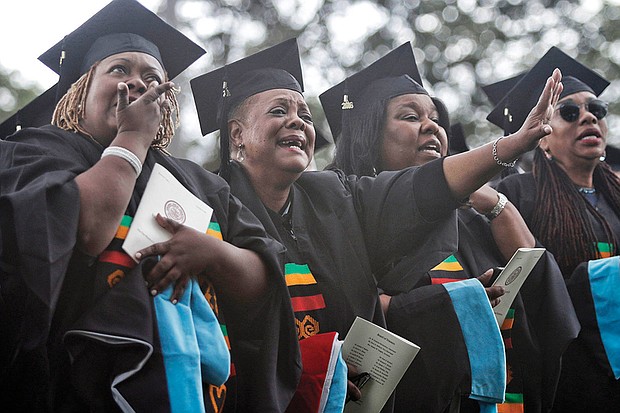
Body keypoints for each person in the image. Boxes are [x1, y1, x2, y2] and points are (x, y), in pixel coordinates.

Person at [190, 38, 563, 412]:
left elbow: (414, 190)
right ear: (237, 134)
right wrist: (305, 369)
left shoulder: (332, 196)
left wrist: (508, 147)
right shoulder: (209, 204)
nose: (297, 122)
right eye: (278, 111)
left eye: (305, 115)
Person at [0, 0, 300, 411]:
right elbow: (83, 230)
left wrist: (213, 253)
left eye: (152, 76)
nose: (138, 83)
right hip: (73, 393)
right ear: (80, 91)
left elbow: (264, 285)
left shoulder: (200, 184)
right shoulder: (37, 153)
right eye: (119, 69)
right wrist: (132, 140)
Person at [322, 42, 579, 413]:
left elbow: (539, 284)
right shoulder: (341, 211)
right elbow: (343, 309)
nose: (431, 126)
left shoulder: (469, 218)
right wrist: (457, 304)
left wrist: (493, 202)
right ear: (368, 133)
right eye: (410, 117)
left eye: (436, 119)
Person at [489, 46, 620, 412]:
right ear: (543, 139)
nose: (587, 118)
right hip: (566, 366)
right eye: (569, 112)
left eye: (596, 110)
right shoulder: (517, 193)